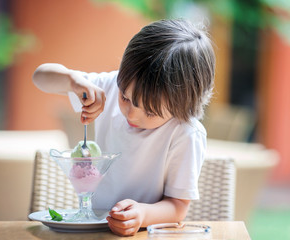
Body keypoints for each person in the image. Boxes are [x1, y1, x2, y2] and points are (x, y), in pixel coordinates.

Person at [32, 18, 215, 236]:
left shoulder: (185, 133)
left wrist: (143, 214)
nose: (131, 113)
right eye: (125, 98)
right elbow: (40, 76)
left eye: (150, 112)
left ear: (183, 106)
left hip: (145, 234)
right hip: (95, 230)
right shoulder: (108, 88)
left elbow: (177, 206)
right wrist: (72, 80)